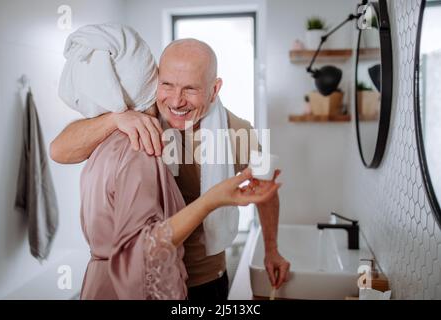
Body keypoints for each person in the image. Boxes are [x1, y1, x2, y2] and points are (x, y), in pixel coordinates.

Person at [51, 38, 290, 301]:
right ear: (156, 79)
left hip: (204, 279)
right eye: (167, 84)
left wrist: (271, 249)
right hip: (143, 279)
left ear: (214, 89)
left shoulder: (238, 132)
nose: (176, 101)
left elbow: (266, 190)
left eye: (190, 89)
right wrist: (114, 119)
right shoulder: (139, 115)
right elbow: (60, 150)